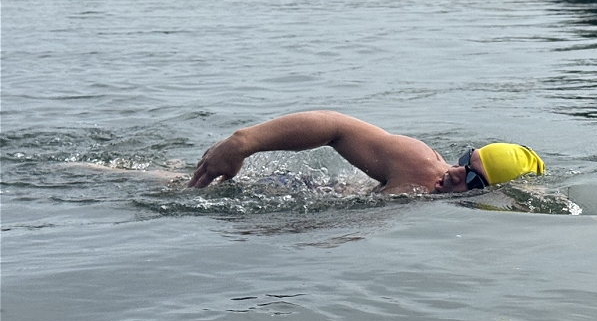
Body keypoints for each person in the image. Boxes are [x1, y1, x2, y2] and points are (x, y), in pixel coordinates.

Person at [188, 110, 544, 194]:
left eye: (470, 176)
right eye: (465, 158)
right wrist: (243, 142)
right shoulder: (418, 164)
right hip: (301, 188)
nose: (454, 170)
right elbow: (335, 127)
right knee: (173, 182)